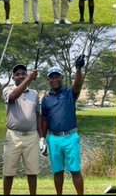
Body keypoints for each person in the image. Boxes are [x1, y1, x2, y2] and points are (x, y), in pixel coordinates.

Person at [39, 60, 86, 196]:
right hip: (53, 139)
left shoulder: (69, 93)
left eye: (57, 76)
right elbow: (44, 120)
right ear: (49, 79)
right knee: (57, 171)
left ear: (61, 78)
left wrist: (78, 69)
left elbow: (77, 85)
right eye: (52, 76)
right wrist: (42, 138)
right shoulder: (46, 99)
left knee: (75, 170)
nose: (55, 78)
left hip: (71, 137)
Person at [1, 65, 41, 196]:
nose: (21, 76)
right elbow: (14, 95)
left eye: (23, 73)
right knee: (8, 172)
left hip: (32, 136)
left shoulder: (34, 93)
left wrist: (42, 138)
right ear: (13, 77)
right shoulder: (7, 90)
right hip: (14, 136)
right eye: (17, 74)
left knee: (32, 171)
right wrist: (29, 78)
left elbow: (37, 115)